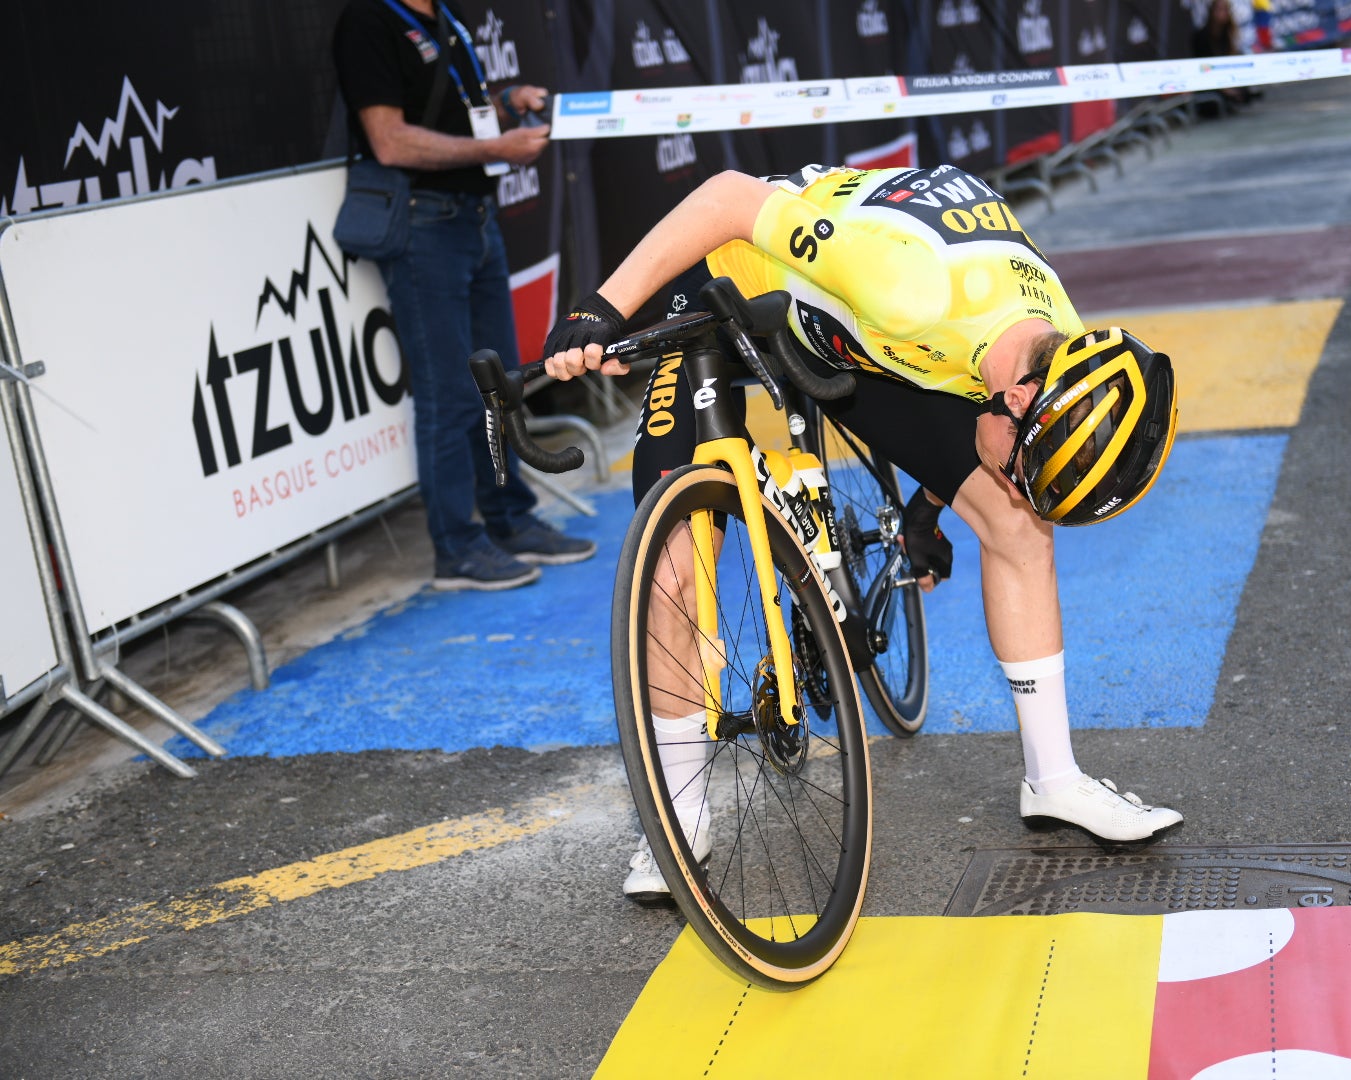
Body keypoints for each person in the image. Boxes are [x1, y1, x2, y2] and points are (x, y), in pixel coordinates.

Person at [543, 164, 1184, 898]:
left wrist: (929, 507)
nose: (1018, 481)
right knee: (672, 569)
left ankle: (1054, 779)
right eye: (1024, 468)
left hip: (853, 333)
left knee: (1018, 527)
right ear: (1016, 397)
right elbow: (724, 196)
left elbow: (990, 434)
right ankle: (678, 816)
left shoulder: (1056, 349)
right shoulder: (910, 287)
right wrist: (603, 309)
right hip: (735, 273)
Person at [332, 0, 594, 591]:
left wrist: (505, 104)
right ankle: (455, 547)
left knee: (500, 384)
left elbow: (450, 113)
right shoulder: (369, 22)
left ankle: (510, 520)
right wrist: (496, 149)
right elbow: (391, 142)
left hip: (476, 219)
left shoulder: (444, 17)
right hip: (425, 226)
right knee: (449, 393)